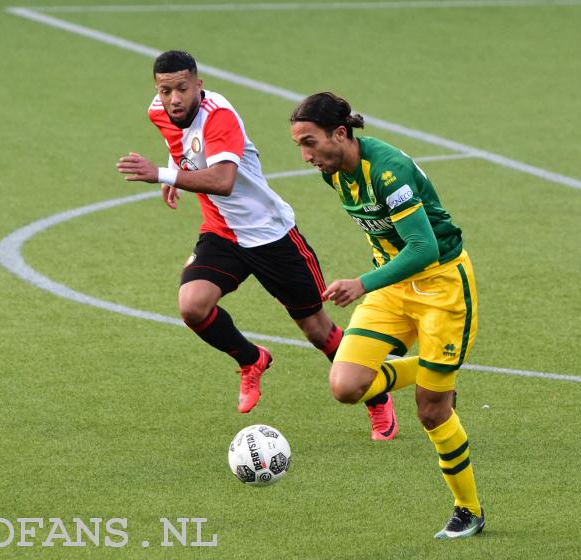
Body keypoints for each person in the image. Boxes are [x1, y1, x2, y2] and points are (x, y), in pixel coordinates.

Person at [116, 51, 384, 422]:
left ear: (199, 85)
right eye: (165, 90)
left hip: (270, 234)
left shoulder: (220, 117)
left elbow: (223, 181)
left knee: (317, 329)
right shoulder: (159, 112)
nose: (174, 99)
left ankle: (377, 399)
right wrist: (177, 171)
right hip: (221, 233)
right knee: (192, 306)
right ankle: (251, 359)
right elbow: (180, 144)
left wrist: (164, 175)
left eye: (182, 88)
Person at [289, 92, 485, 539]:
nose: (306, 156)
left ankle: (468, 510)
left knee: (432, 412)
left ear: (340, 134)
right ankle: (438, 372)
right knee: (345, 385)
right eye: (300, 145)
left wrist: (362, 283)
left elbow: (424, 248)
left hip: (441, 287)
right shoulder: (335, 172)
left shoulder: (388, 172)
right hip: (393, 288)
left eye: (310, 142)